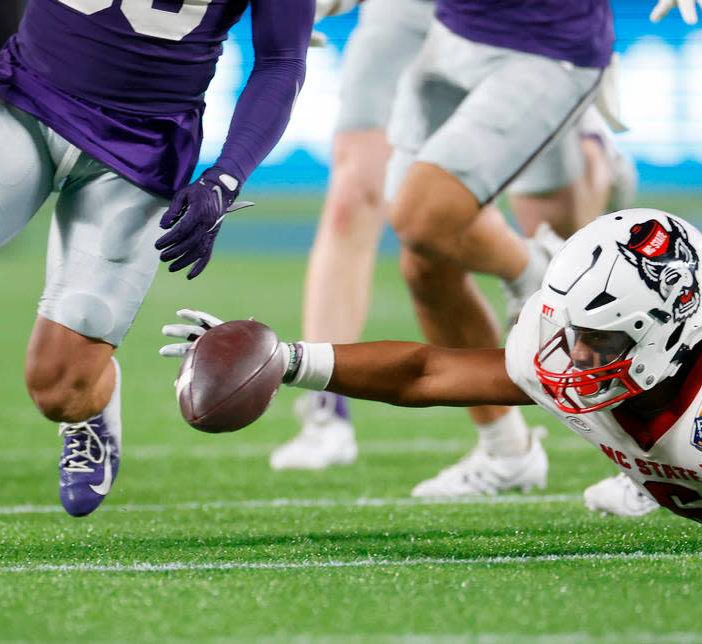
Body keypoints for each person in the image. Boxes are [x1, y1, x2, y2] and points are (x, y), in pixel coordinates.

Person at [162, 209, 702, 553]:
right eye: (569, 327)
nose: (571, 354)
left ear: (668, 332)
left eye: (597, 337)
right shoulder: (574, 349)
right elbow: (427, 369)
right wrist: (290, 360)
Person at [0, 0, 312, 517]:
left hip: (141, 150)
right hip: (24, 97)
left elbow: (281, 61)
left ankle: (92, 404)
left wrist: (226, 176)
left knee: (59, 388)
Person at [270, 0, 638, 475]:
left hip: (540, 35)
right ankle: (501, 448)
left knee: (554, 226)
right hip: (431, 18)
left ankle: (589, 166)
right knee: (399, 226)